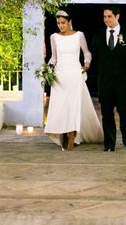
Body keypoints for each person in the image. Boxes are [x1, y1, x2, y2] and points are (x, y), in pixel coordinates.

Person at [44, 10, 103, 150]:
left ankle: (72, 138)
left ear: (69, 22)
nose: (60, 26)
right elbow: (54, 57)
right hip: (59, 76)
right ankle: (63, 136)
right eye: (58, 23)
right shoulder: (54, 37)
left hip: (75, 74)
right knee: (60, 108)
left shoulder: (79, 35)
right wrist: (47, 69)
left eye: (63, 23)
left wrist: (87, 64)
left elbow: (86, 52)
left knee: (73, 107)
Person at [91, 6, 126, 151]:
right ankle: (109, 144)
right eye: (104, 17)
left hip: (123, 81)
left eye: (109, 16)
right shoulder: (99, 34)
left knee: (124, 111)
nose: (106, 20)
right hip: (105, 81)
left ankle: (124, 130)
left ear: (117, 17)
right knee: (106, 113)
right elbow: (93, 56)